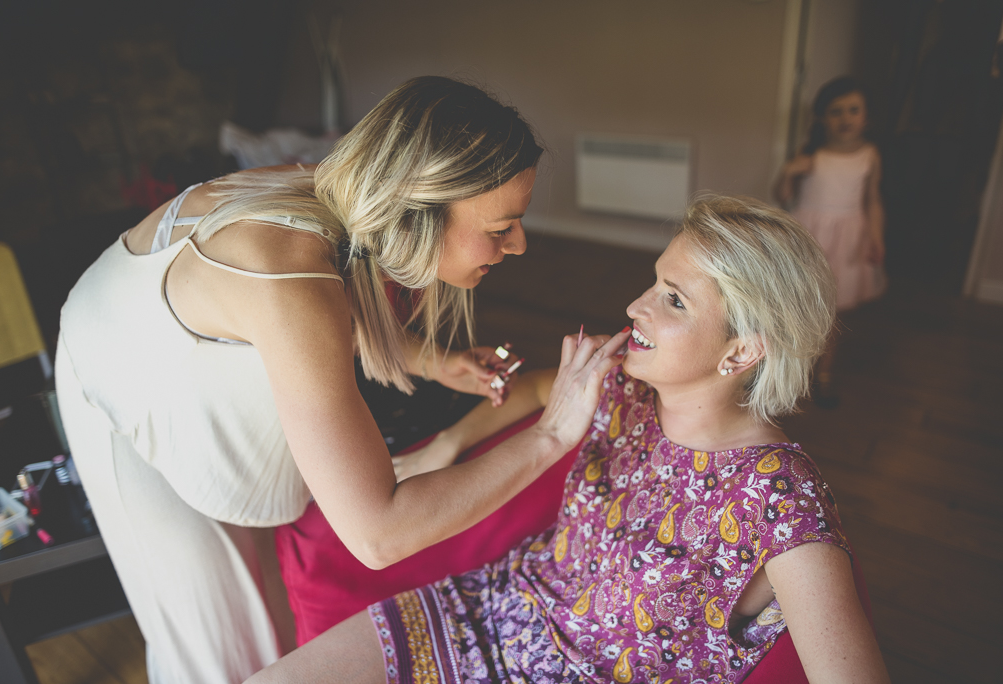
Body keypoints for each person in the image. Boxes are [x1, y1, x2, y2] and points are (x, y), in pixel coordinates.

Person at [54, 76, 626, 683]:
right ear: (419, 208)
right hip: (125, 378)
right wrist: (553, 434)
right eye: (500, 226)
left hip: (196, 358)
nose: (518, 245)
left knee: (273, 622)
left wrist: (429, 360)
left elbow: (335, 309)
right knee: (214, 645)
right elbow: (378, 535)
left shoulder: (350, 204)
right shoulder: (291, 277)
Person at [248, 196, 891, 684]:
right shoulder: (623, 387)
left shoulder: (779, 495)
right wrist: (447, 447)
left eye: (673, 301)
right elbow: (533, 393)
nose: (637, 306)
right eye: (653, 282)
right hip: (489, 609)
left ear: (743, 350)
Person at [774, 76, 887, 407]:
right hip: (809, 238)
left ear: (866, 117)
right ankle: (785, 371)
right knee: (797, 304)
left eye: (853, 110)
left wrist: (876, 236)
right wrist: (789, 172)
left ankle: (824, 374)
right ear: (823, 118)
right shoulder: (812, 154)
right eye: (836, 111)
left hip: (848, 240)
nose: (846, 118)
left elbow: (873, 200)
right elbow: (783, 199)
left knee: (832, 313)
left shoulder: (869, 155)